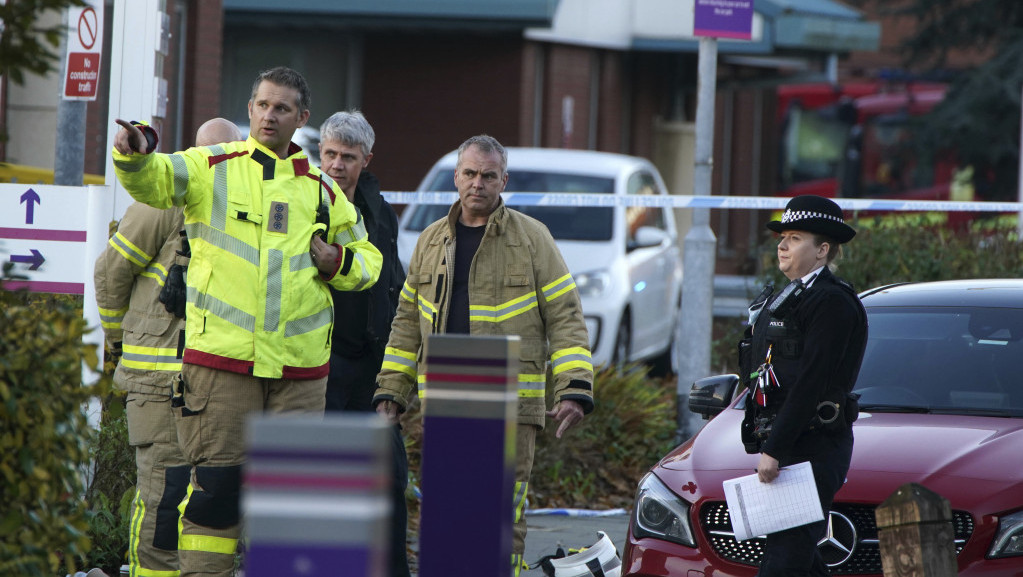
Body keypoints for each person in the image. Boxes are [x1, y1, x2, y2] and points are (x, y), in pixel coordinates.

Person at [110, 66, 383, 577]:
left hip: (299, 377)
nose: (268, 115)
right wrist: (134, 151)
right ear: (250, 107)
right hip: (222, 367)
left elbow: (369, 261)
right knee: (215, 498)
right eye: (261, 105)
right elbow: (153, 180)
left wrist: (339, 263)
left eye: (281, 108)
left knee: (287, 510)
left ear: (301, 119)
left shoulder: (322, 189)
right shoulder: (212, 164)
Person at [373, 134, 594, 576]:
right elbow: (405, 323)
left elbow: (566, 316)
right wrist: (391, 392)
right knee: (446, 515)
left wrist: (574, 388)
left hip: (510, 405)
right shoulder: (431, 241)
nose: (478, 183)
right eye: (470, 174)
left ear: (503, 181)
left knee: (500, 518)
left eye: (488, 176)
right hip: (446, 404)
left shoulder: (533, 239)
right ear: (456, 177)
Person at [95, 117, 242, 577]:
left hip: (212, 382)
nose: (216, 165)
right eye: (207, 155)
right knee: (164, 495)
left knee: (210, 500)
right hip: (159, 381)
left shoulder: (239, 204)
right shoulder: (163, 202)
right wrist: (119, 341)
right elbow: (110, 274)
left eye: (225, 156)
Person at [738, 194, 868, 577]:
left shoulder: (832, 302)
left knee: (784, 563)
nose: (781, 245)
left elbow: (812, 381)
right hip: (792, 446)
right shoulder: (788, 298)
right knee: (800, 563)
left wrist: (775, 449)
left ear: (822, 249)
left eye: (795, 238)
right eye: (782, 237)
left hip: (813, 447)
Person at [319, 110, 410, 577]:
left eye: (348, 157)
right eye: (330, 154)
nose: (337, 165)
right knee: (326, 482)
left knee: (389, 477)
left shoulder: (379, 211)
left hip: (373, 366)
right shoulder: (305, 202)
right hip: (321, 365)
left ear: (366, 159)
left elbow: (393, 283)